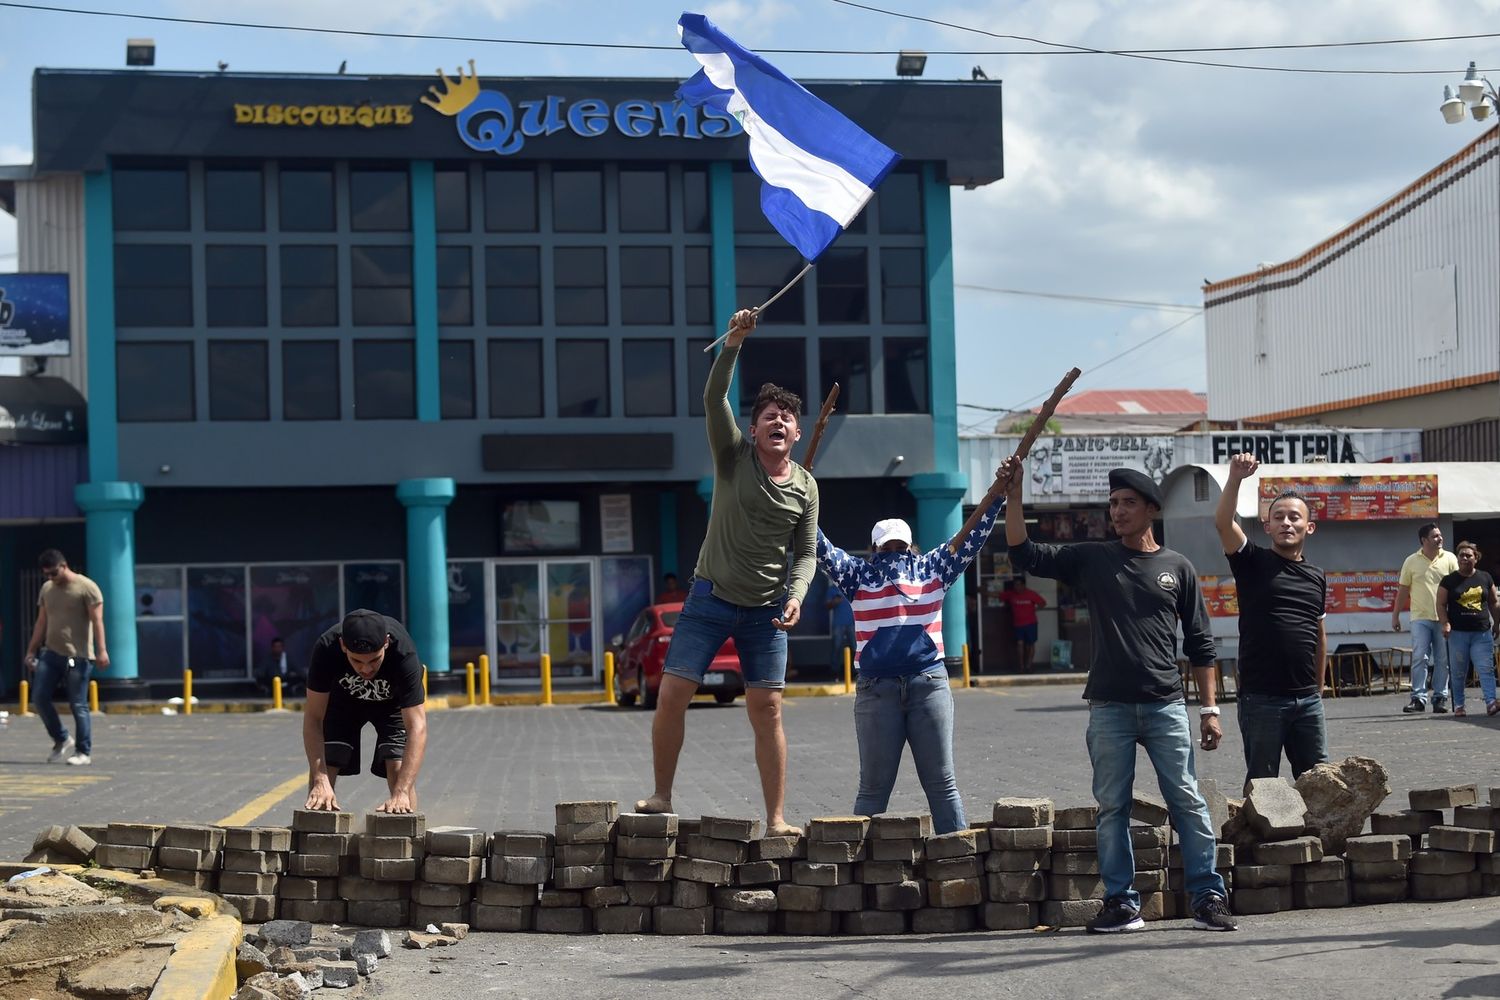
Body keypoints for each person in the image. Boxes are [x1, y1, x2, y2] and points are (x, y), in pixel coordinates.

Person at [1003, 457, 1236, 933]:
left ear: (1151, 509)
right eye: (1113, 504)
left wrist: (1210, 710)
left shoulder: (1178, 568)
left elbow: (1200, 646)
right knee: (1113, 808)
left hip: (1167, 705)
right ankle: (1122, 904)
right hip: (1108, 707)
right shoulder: (1094, 559)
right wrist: (1014, 492)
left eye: (1128, 503)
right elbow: (1025, 553)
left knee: (1187, 801)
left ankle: (1208, 898)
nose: (1118, 511)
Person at [636, 308, 818, 837]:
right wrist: (734, 342)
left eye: (786, 417)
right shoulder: (732, 455)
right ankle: (662, 794)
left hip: (766, 613)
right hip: (709, 599)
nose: (778, 422)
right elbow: (714, 397)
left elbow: (805, 553)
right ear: (755, 426)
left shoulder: (806, 486)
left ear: (798, 431)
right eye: (769, 416)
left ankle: (778, 818)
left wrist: (797, 594)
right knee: (672, 695)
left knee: (768, 710)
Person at [816, 474, 1006, 834]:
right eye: (887, 549)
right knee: (873, 791)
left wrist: (996, 496)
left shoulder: (929, 567)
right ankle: (859, 879)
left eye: (899, 547)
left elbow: (972, 534)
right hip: (878, 689)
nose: (894, 556)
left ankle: (957, 865)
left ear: (911, 546)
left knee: (941, 786)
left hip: (927, 685)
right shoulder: (858, 574)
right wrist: (799, 502)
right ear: (874, 550)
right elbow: (818, 545)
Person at [1214, 454, 1328, 785]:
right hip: (1261, 698)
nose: (1286, 523)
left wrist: (1318, 690)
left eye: (1294, 517)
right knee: (1264, 785)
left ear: (1309, 527)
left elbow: (1318, 634)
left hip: (1307, 700)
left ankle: (1315, 837)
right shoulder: (1251, 561)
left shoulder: (1316, 576)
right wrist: (1235, 478)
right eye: (1278, 517)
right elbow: (1223, 523)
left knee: (1318, 782)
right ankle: (1261, 838)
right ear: (1268, 526)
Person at [303, 609, 428, 814]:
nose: (366, 670)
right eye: (357, 661)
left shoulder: (403, 653)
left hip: (391, 705)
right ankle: (317, 837)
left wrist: (402, 791)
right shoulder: (326, 648)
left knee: (398, 769)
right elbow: (314, 718)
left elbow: (418, 727)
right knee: (328, 762)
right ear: (343, 646)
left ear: (386, 642)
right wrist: (320, 779)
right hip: (342, 703)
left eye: (374, 660)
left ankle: (407, 836)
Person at [23, 549, 106, 766]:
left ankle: (83, 751)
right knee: (39, 698)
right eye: (47, 575)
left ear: (64, 565)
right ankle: (61, 738)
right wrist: (31, 650)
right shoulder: (47, 589)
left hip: (76, 656)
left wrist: (101, 650)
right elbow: (41, 622)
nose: (51, 578)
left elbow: (97, 621)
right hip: (51, 653)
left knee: (77, 703)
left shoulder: (87, 588)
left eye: (53, 573)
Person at [1394, 523, 1460, 714]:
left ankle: (1440, 698)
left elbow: (1458, 587)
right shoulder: (1411, 561)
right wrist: (1395, 615)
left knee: (1443, 659)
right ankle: (1418, 699)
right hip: (1420, 617)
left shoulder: (1449, 558)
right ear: (1424, 540)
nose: (1440, 539)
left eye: (1440, 535)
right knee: (1419, 657)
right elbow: (1403, 590)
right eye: (1435, 536)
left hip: (1444, 618)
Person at [1436, 542, 1500, 718]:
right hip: (1458, 634)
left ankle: (1491, 703)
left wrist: (1497, 623)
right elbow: (1440, 604)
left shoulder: (1485, 577)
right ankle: (1459, 706)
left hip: (1482, 632)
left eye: (1468, 555)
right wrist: (1445, 623)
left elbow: (1494, 602)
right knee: (1458, 671)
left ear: (1476, 558)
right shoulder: (1449, 580)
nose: (1464, 558)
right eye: (1461, 555)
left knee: (1486, 668)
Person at [997, 577, 1047, 671]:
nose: (1017, 587)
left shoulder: (1031, 593)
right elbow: (999, 595)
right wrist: (981, 591)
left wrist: (1034, 610)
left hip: (1031, 623)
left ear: (1023, 585)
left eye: (1019, 585)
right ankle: (1021, 666)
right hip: (1018, 624)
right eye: (1015, 585)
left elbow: (1043, 603)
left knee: (1030, 645)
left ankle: (1029, 665)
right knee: (1019, 644)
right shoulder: (1011, 594)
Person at [826, 586, 856, 674]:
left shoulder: (851, 586)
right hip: (838, 623)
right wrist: (834, 602)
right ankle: (834, 671)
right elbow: (827, 606)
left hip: (852, 623)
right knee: (836, 647)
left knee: (855, 647)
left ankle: (855, 671)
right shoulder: (832, 589)